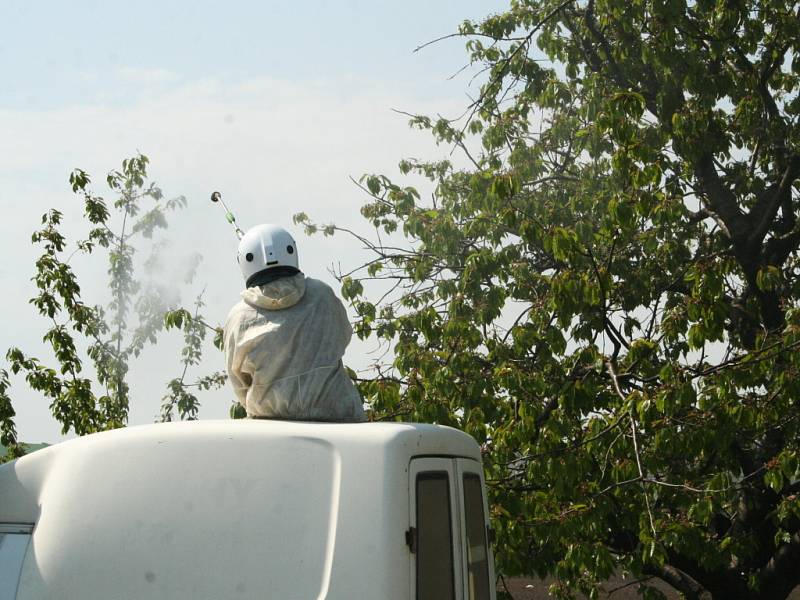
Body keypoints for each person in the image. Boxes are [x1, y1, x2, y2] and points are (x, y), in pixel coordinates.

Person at [224, 223, 366, 422]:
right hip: (341, 420)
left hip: (271, 430)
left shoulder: (238, 317)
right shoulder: (322, 294)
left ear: (245, 262)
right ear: (291, 251)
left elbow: (239, 382)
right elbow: (343, 337)